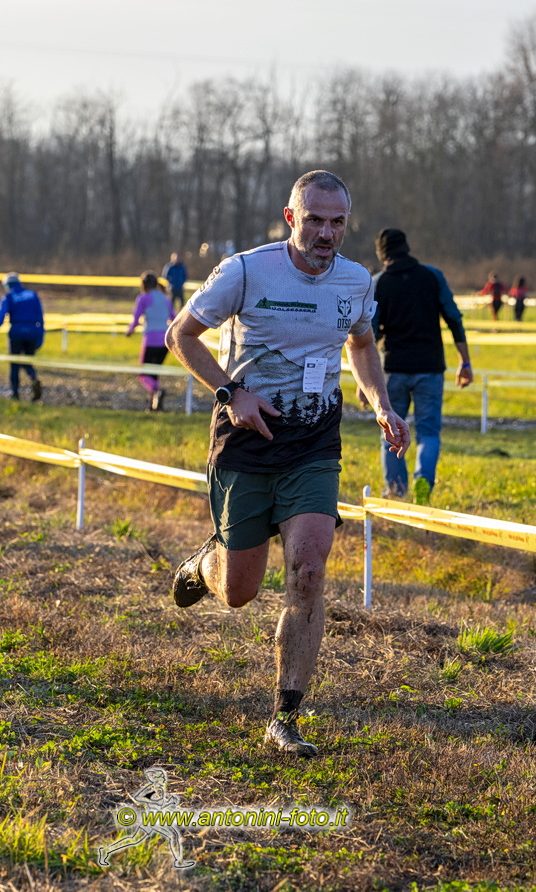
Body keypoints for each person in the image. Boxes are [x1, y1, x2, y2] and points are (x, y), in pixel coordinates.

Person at [166, 170, 408, 758]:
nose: (327, 233)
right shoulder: (245, 272)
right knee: (240, 592)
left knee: (308, 573)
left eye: (338, 222)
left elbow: (361, 344)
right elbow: (181, 336)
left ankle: (285, 717)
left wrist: (380, 403)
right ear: (290, 217)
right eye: (315, 220)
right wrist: (232, 394)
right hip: (246, 439)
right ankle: (205, 565)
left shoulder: (355, 280)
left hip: (314, 443)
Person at [367, 228, 472, 504]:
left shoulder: (378, 283)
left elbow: (369, 336)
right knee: (429, 431)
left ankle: (396, 490)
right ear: (406, 247)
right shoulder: (433, 276)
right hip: (430, 368)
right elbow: (454, 319)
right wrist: (465, 362)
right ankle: (424, 478)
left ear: (382, 253)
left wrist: (367, 381)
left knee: (391, 431)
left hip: (394, 369)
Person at [0, 273, 44, 400]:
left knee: (14, 364)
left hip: (16, 333)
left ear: (7, 285)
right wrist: (40, 338)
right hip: (33, 333)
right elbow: (40, 318)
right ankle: (34, 379)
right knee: (27, 361)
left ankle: (15, 393)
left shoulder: (8, 297)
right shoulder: (33, 295)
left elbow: (0, 319)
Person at [126, 271, 175, 411]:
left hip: (151, 340)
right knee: (154, 374)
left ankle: (157, 391)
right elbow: (174, 318)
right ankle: (152, 405)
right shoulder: (165, 298)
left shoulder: (143, 298)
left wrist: (129, 331)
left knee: (143, 374)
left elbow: (136, 319)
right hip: (165, 342)